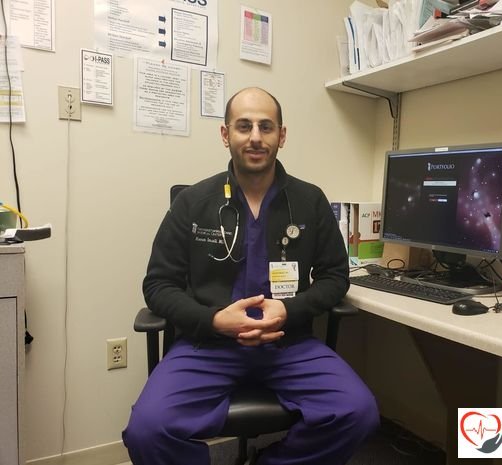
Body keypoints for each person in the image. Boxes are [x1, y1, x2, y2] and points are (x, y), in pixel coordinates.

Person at [122, 87, 379, 465]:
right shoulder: (193, 202)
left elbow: (335, 277)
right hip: (208, 346)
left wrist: (289, 311)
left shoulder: (309, 201)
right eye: (244, 126)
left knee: (359, 413)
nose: (255, 137)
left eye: (266, 126)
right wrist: (213, 320)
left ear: (282, 135)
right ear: (225, 134)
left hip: (288, 344)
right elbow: (158, 285)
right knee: (147, 431)